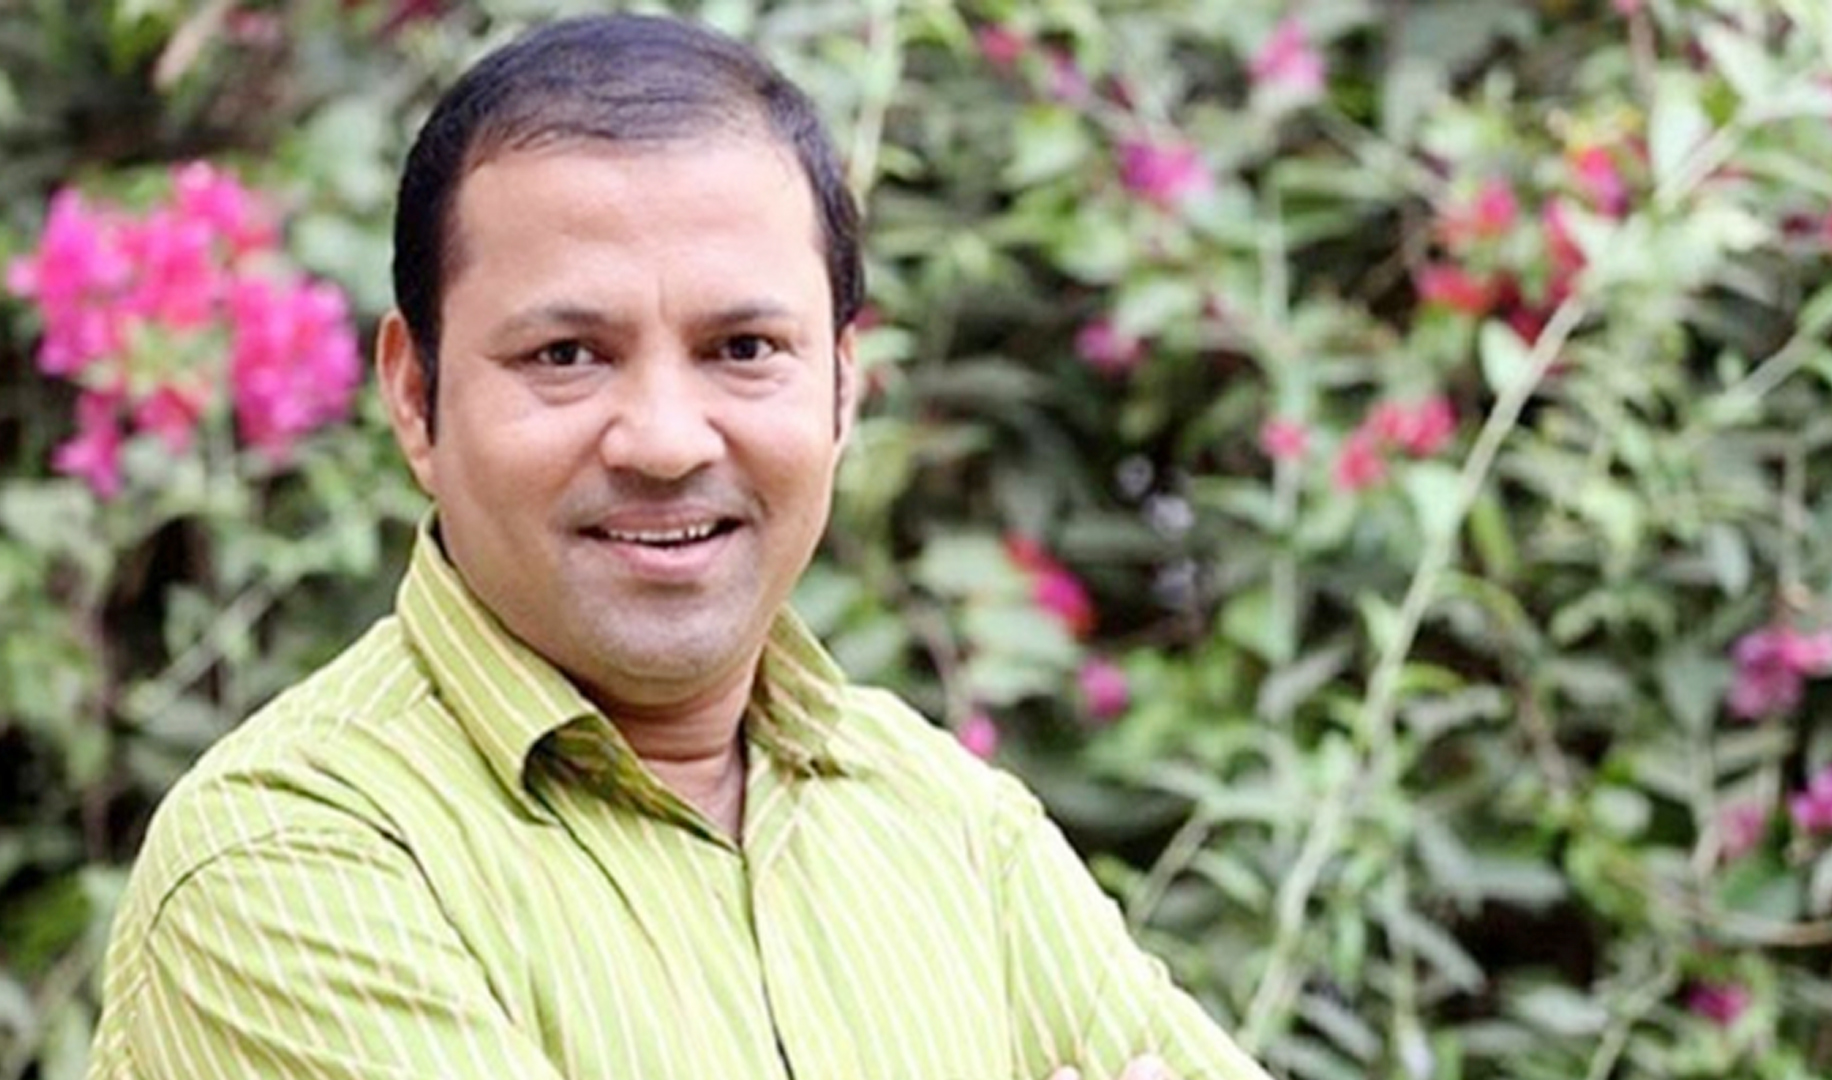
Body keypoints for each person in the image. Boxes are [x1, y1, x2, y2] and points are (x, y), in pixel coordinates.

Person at [85, 15, 1272, 1080]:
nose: (663, 440)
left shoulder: (952, 826)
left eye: (744, 349)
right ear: (413, 395)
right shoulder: (286, 860)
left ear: (843, 387)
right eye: (566, 356)